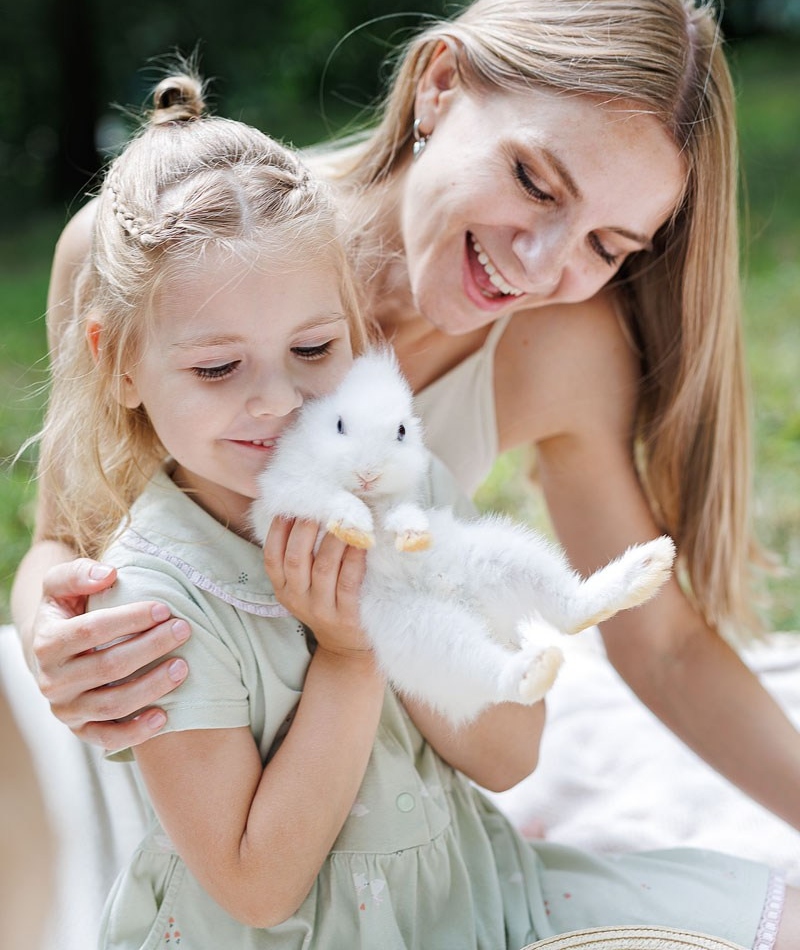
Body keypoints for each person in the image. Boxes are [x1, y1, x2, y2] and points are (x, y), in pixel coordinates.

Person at [31, 75, 797, 948]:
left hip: (472, 893)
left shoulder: (398, 475)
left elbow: (510, 757)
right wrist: (353, 658)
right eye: (217, 370)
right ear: (120, 364)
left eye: (313, 349)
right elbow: (255, 887)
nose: (277, 400)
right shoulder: (160, 594)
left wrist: (402, 611)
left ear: (356, 333)